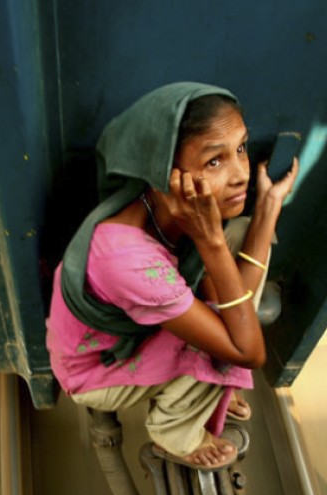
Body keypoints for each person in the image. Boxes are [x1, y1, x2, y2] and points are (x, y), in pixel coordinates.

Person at [46, 82, 298, 471]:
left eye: (241, 149)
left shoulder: (163, 205)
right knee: (220, 351)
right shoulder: (128, 260)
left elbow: (237, 309)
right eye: (214, 161)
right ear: (166, 173)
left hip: (139, 325)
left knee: (240, 238)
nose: (240, 175)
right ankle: (174, 430)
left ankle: (203, 390)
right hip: (97, 368)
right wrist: (211, 244)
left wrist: (266, 208)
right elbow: (248, 351)